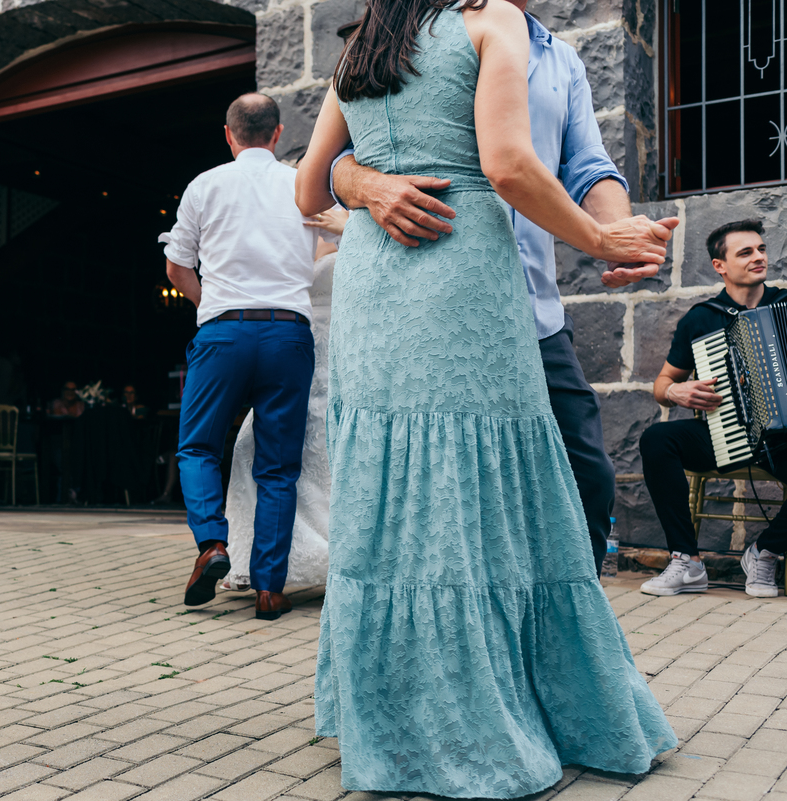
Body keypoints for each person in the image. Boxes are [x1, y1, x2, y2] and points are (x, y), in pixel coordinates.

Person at [294, 0, 677, 795]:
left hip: (381, 287)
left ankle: (392, 710)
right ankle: (489, 711)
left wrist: (613, 226)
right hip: (462, 271)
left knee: (399, 491)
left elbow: (305, 190)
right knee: (483, 492)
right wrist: (601, 241)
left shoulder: (367, 39)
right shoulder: (490, 18)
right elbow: (505, 165)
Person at [328, 2, 674, 577]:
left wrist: (617, 234)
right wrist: (367, 184)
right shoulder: (392, 37)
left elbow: (587, 162)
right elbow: (337, 159)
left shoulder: (561, 58)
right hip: (432, 301)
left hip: (533, 308)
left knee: (586, 475)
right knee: (446, 480)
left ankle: (560, 630)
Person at [161, 92, 334, 620]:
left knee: (197, 447)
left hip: (223, 332)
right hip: (288, 334)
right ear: (278, 134)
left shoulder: (204, 185)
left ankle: (212, 544)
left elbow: (176, 268)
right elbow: (326, 247)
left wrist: (208, 304)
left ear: (229, 134)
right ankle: (269, 588)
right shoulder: (302, 186)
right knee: (278, 466)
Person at [640, 220, 784, 598]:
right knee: (657, 438)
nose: (758, 257)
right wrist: (677, 392)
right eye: (745, 252)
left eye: (761, 249)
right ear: (720, 265)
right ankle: (687, 561)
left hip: (782, 437)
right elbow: (661, 384)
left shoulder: (784, 305)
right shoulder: (701, 318)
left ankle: (764, 552)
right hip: (725, 432)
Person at [223, 208, 348, 591]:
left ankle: (340, 559)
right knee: (250, 447)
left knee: (328, 458)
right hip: (294, 356)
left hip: (345, 354)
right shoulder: (293, 231)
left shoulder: (358, 218)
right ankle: (248, 560)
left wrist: (349, 229)